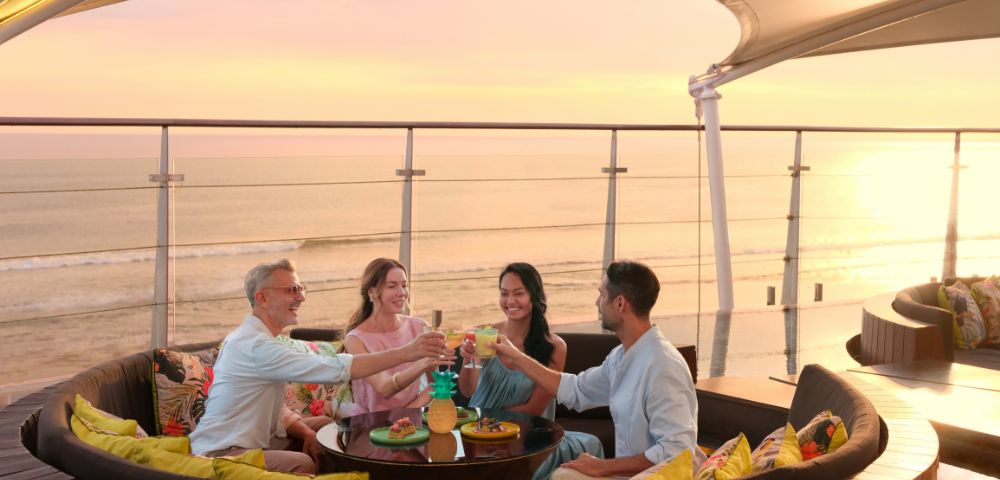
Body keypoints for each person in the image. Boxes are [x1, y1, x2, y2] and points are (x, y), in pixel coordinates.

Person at [189, 259, 451, 475]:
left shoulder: (256, 339)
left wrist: (306, 431)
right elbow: (334, 368)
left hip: (255, 438)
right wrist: (409, 352)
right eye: (291, 290)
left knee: (324, 426)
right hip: (224, 453)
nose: (301, 297)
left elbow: (274, 407)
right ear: (263, 298)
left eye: (301, 288)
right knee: (305, 463)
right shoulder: (257, 346)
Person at [490, 260, 698, 480]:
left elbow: (678, 453)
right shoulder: (620, 357)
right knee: (564, 474)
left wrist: (604, 467)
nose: (597, 302)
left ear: (619, 303)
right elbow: (576, 390)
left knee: (563, 477)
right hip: (626, 475)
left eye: (601, 294)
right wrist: (515, 356)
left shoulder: (664, 366)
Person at [459, 262, 604, 480]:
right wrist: (469, 361)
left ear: (534, 296)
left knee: (590, 444)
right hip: (477, 430)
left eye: (519, 293)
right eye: (504, 294)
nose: (510, 301)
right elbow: (468, 390)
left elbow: (534, 408)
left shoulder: (554, 347)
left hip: (524, 433)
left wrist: (495, 422)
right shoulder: (485, 334)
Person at [343, 258, 449, 413]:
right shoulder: (355, 339)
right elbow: (384, 388)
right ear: (372, 292)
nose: (402, 293)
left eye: (404, 285)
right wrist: (424, 363)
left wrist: (407, 414)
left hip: (411, 419)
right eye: (392, 286)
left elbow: (435, 384)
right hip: (369, 423)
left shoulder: (419, 327)